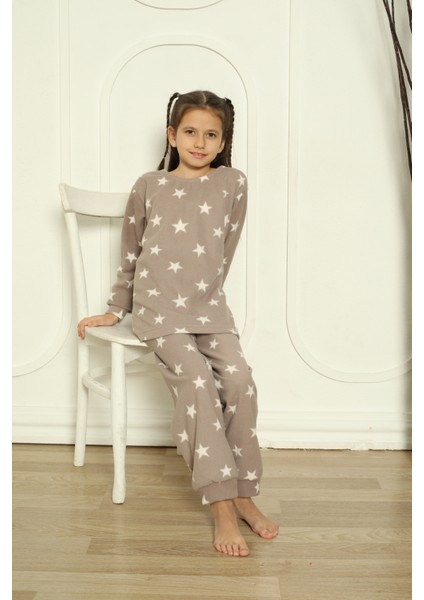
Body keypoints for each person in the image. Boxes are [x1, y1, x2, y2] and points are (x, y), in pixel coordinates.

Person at [77, 90, 279, 557]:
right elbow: (131, 251)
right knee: (197, 382)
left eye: (211, 135)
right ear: (172, 135)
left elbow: (225, 250)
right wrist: (117, 308)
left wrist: (204, 296)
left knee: (240, 380)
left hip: (208, 306)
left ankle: (244, 493)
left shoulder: (233, 183)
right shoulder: (149, 185)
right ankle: (221, 504)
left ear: (224, 141)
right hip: (158, 310)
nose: (200, 142)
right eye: (190, 131)